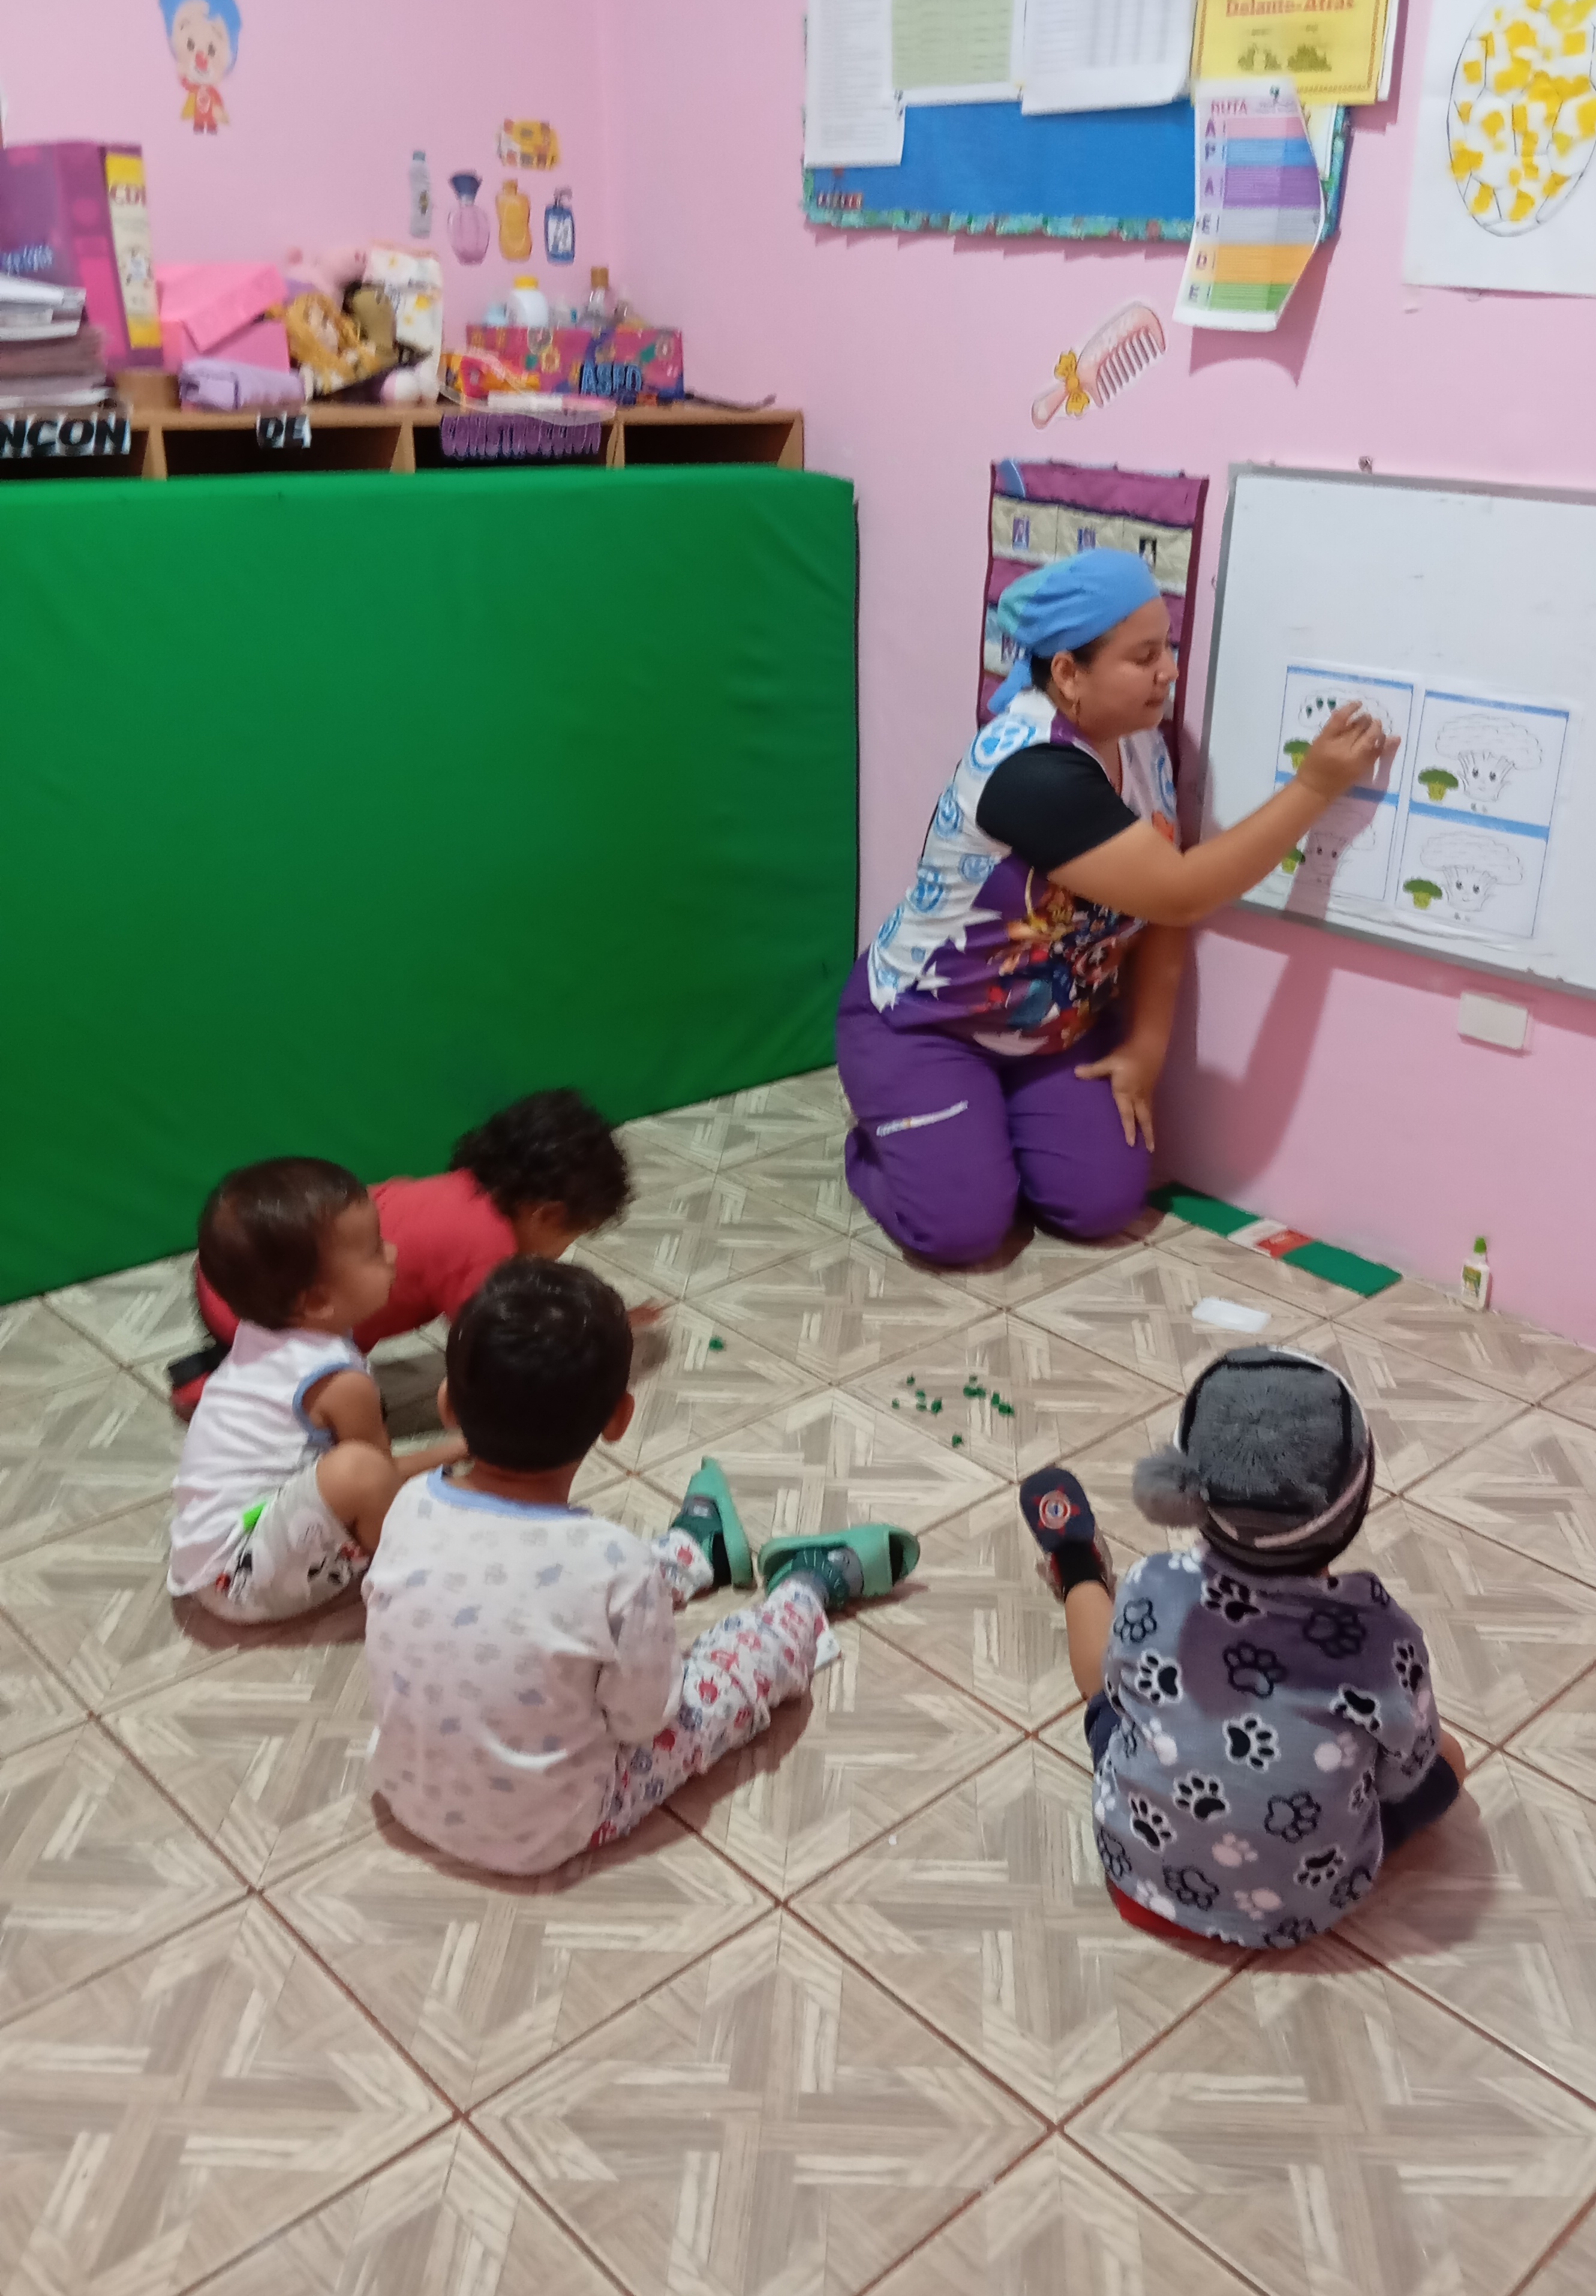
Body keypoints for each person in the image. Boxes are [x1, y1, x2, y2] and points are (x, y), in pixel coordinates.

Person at [835, 548, 1396, 1265]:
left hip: (1050, 1031)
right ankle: (882, 1142)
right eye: (1144, 656)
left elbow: (1163, 912)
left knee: (1098, 1205)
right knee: (962, 1230)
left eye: (1167, 648)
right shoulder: (1031, 771)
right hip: (926, 1025)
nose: (1169, 672)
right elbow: (1184, 888)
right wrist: (1314, 788)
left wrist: (1146, 1047)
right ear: (1069, 673)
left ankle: (976, 1131)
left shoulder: (1142, 747)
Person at [363, 1257, 919, 1877]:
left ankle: (694, 1553)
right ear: (619, 1420)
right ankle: (805, 1591)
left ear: (446, 1404)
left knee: (583, 1597)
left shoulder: (408, 1506)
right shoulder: (611, 1562)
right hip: (552, 1829)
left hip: (406, 1792)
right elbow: (646, 1718)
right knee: (716, 1684)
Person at [1022, 1347, 1465, 1950]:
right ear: (1355, 1510)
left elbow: (1120, 1695)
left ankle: (1075, 1564)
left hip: (1137, 1881)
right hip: (1302, 1911)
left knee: (1103, 1696)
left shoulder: (1154, 1585)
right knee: (1450, 1757)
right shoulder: (1383, 1640)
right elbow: (1402, 1776)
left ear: (1184, 1489)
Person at [171, 1088, 640, 1415]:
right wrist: (580, 1345)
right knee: (340, 1413)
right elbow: (495, 1347)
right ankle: (215, 1383)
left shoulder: (462, 1191)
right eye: (574, 1234)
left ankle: (228, 1362)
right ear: (546, 1215)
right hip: (258, 1312)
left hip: (231, 1273)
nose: (566, 1249)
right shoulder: (486, 1246)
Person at [169, 1158, 465, 1623]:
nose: (392, 1253)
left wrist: (454, 1452)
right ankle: (413, 1583)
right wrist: (461, 1449)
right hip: (240, 1581)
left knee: (358, 1469)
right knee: (360, 1470)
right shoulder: (339, 1382)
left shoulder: (265, 1332)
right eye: (374, 1250)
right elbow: (378, 1477)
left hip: (217, 1554)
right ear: (317, 1301)